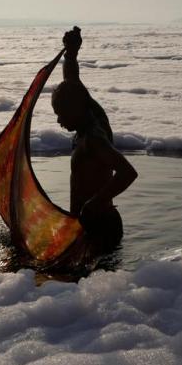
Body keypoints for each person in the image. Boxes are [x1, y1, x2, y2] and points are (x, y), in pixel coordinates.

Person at [51, 27, 138, 257]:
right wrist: (71, 54)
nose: (58, 120)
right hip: (85, 225)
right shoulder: (89, 113)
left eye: (62, 114)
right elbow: (72, 80)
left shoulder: (94, 139)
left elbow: (127, 172)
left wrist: (94, 203)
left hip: (100, 227)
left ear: (77, 109)